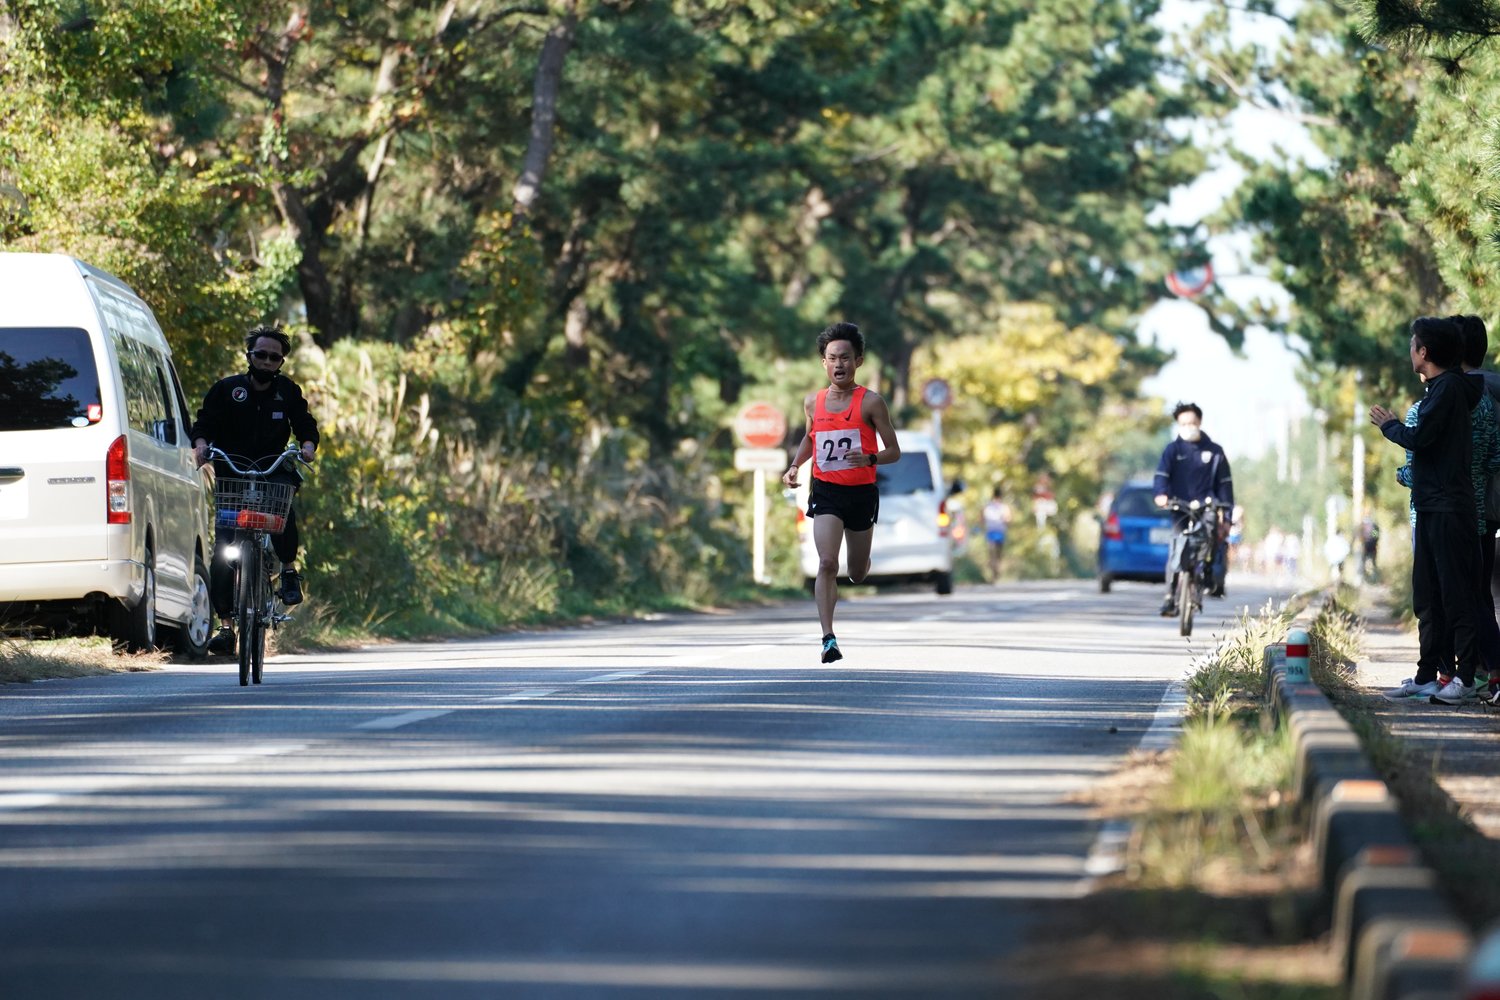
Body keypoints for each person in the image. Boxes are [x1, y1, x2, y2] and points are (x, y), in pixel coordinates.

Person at [1372, 316, 1483, 705]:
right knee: (1428, 595)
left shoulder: (1448, 388)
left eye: (1412, 344)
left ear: (1424, 352)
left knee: (1456, 595)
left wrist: (1390, 426)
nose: (1410, 351)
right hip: (1432, 505)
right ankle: (1428, 675)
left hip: (1449, 507)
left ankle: (1464, 679)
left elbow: (1421, 437)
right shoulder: (1440, 388)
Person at [190, 325, 320, 656]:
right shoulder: (227, 389)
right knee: (223, 550)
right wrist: (201, 445)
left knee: (283, 508)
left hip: (273, 468)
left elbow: (304, 423)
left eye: (274, 357)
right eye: (260, 355)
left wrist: (307, 446)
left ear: (281, 362)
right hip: (232, 472)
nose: (266, 361)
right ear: (249, 356)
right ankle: (226, 627)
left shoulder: (287, 392)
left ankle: (288, 571)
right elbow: (204, 423)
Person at [782, 322, 900, 663]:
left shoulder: (871, 403)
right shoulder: (813, 402)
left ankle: (862, 561)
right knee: (827, 562)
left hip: (861, 493)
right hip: (827, 491)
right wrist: (794, 466)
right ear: (824, 363)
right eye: (832, 358)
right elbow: (811, 438)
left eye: (845, 358)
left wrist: (870, 458)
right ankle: (828, 638)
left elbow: (894, 451)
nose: (839, 364)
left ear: (858, 361)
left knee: (857, 572)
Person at [1152, 402, 1234, 617]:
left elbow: (1225, 486)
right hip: (1180, 507)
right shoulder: (1172, 450)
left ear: (1199, 422)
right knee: (1176, 549)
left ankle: (1208, 576)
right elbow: (1161, 476)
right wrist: (1161, 495)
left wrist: (1227, 518)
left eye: (1192, 422)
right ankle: (1170, 597)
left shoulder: (1214, 452)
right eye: (1183, 424)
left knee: (1210, 540)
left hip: (1207, 506)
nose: (1188, 427)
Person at [1455, 314, 1500, 704]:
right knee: (1482, 588)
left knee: (1471, 591)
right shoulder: (1497, 384)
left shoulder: (1465, 391)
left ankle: (1487, 671)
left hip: (1474, 502)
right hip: (1493, 502)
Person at [982, 487, 1013, 581]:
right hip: (998, 531)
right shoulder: (1003, 507)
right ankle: (995, 571)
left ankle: (995, 571)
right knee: (996, 553)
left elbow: (982, 519)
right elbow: (1008, 519)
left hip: (992, 531)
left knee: (993, 553)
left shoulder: (988, 506)